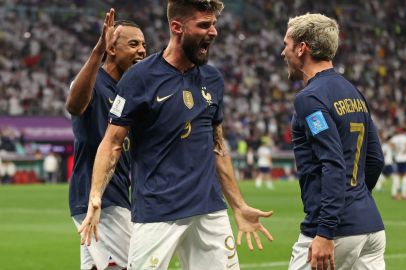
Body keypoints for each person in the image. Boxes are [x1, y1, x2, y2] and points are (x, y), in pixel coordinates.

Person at [79, 1, 273, 270]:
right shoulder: (139, 78)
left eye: (214, 24)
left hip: (209, 211)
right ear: (177, 27)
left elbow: (217, 147)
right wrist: (95, 196)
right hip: (158, 213)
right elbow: (111, 143)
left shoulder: (213, 79)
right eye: (204, 25)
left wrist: (238, 205)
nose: (214, 32)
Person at [281, 13, 386, 270]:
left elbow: (332, 162)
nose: (283, 52)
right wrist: (357, 199)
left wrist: (326, 231)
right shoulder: (354, 93)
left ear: (302, 48)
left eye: (286, 44)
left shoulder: (310, 98)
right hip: (371, 228)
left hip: (334, 231)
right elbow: (375, 160)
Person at [66, 9, 146, 270]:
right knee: (138, 264)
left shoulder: (129, 91)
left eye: (144, 44)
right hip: (101, 200)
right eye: (133, 44)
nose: (142, 50)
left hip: (117, 196)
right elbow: (75, 105)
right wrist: (98, 50)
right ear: (112, 49)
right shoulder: (94, 82)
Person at [390, 130, 406, 200]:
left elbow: (391, 145)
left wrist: (396, 151)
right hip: (405, 158)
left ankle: (394, 194)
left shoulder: (395, 138)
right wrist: (405, 151)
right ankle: (404, 194)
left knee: (397, 175)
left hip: (397, 158)